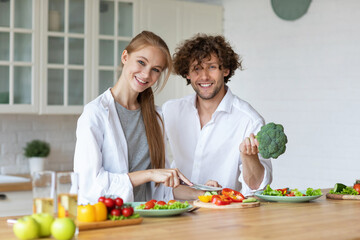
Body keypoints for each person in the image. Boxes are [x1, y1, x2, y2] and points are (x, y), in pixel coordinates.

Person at [74, 31, 198, 205]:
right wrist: (149, 174)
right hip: (108, 221)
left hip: (145, 221)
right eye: (141, 62)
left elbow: (162, 188)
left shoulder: (156, 117)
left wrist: (202, 193)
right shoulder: (95, 114)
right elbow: (90, 184)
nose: (146, 75)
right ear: (125, 56)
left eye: (155, 70)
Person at [162, 34, 273, 196]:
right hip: (177, 210)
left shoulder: (249, 120)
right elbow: (152, 166)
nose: (204, 76)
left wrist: (249, 157)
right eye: (197, 69)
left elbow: (258, 189)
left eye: (212, 67)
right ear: (187, 74)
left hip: (224, 213)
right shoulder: (170, 111)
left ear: (226, 70)